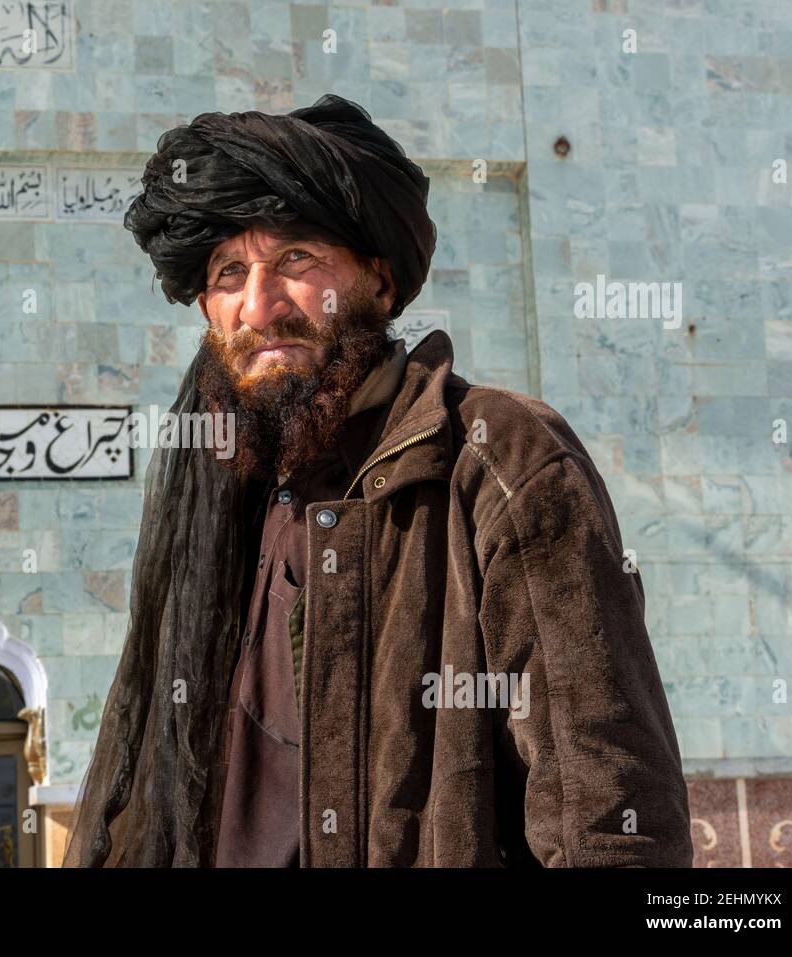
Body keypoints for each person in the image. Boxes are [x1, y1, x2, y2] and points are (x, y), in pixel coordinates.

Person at [63, 94, 694, 867]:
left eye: (296, 259)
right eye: (230, 272)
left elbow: (609, 813)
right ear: (206, 307)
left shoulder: (494, 459)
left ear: (381, 282)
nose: (260, 305)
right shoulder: (219, 506)